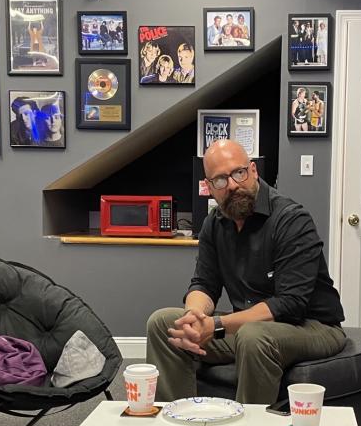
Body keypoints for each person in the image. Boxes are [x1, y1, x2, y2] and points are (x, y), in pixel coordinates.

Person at [145, 139, 346, 405]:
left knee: (254, 335)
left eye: (238, 173)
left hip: (313, 326)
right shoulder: (214, 224)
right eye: (219, 180)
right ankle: (180, 422)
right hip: (249, 326)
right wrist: (193, 317)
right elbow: (204, 284)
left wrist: (216, 325)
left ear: (253, 170)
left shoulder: (291, 219)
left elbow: (290, 304)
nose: (232, 185)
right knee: (163, 323)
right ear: (209, 187)